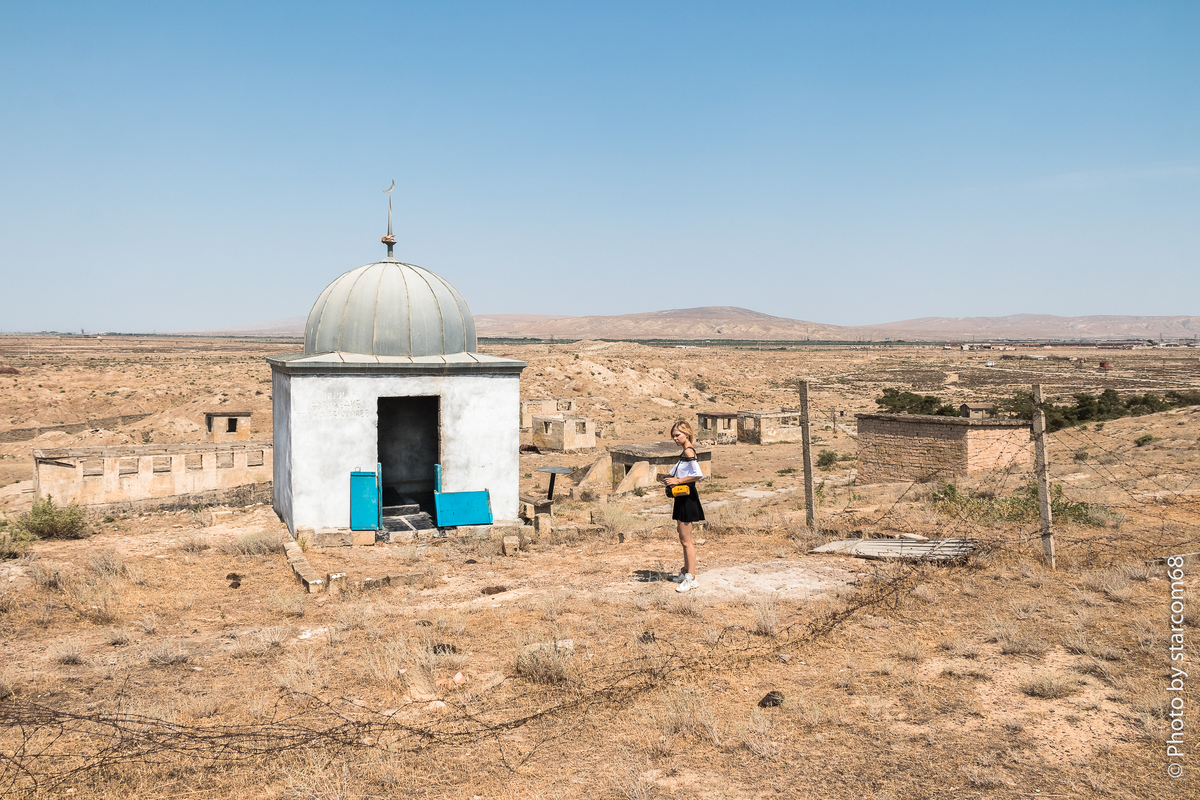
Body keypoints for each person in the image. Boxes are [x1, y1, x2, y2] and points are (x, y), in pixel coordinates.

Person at [658, 420, 704, 592]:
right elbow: (680, 473)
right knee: (683, 539)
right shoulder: (684, 454)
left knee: (687, 541)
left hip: (688, 500)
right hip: (682, 499)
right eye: (673, 436)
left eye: (678, 435)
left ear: (687, 434)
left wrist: (677, 480)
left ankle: (691, 578)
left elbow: (697, 474)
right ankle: (686, 573)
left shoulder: (689, 451)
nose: (675, 439)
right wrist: (668, 478)